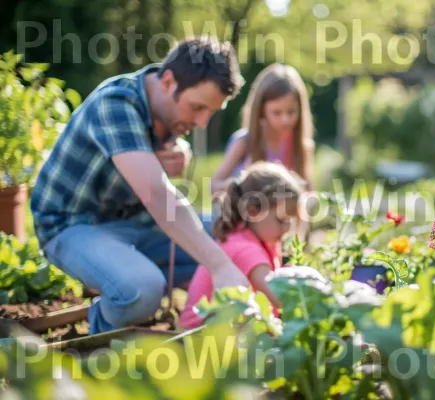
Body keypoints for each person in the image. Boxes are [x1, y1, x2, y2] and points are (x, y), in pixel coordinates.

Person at [30, 36, 250, 335]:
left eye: (210, 112)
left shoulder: (168, 109)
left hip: (136, 224)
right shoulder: (116, 103)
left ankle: (143, 283)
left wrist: (178, 152)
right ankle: (102, 336)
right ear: (169, 81)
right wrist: (220, 266)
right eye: (198, 108)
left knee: (237, 233)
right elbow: (157, 194)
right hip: (71, 226)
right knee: (141, 288)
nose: (202, 122)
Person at [179, 161, 305, 329]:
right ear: (253, 211)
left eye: (290, 221)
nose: (287, 227)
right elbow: (279, 297)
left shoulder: (256, 237)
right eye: (282, 220)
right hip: (200, 334)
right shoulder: (247, 249)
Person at [201, 63, 315, 235]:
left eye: (291, 112)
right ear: (261, 110)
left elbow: (307, 197)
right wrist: (244, 182)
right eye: (277, 113)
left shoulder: (301, 148)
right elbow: (214, 186)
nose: (285, 120)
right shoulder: (244, 143)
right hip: (240, 229)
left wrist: (300, 240)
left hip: (277, 235)